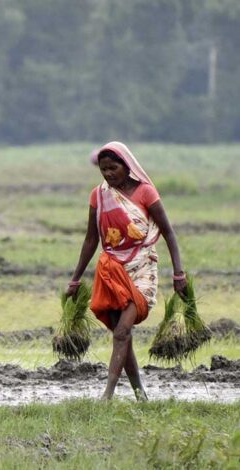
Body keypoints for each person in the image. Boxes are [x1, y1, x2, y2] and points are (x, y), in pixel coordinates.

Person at [66, 142, 187, 401]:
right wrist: (75, 279)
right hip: (112, 270)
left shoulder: (146, 193)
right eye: (103, 169)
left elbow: (168, 232)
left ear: (127, 166)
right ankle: (139, 393)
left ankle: (107, 396)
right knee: (123, 334)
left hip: (142, 268)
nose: (108, 174)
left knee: (122, 332)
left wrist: (179, 273)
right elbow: (91, 240)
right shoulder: (98, 196)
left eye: (114, 168)